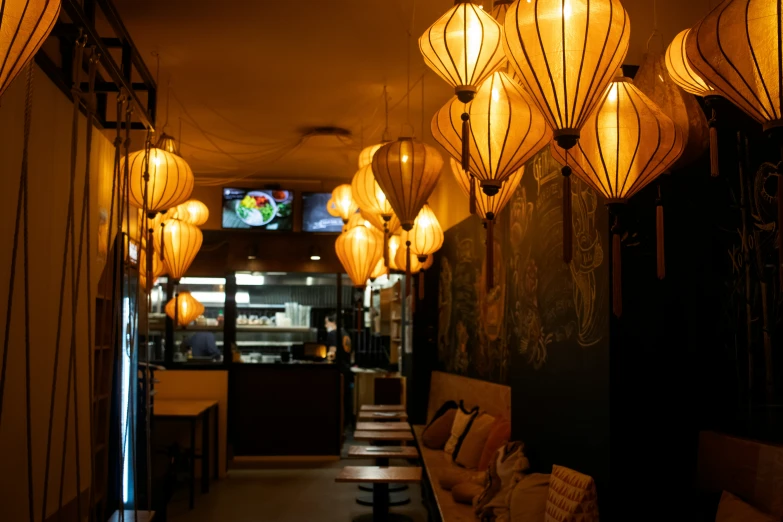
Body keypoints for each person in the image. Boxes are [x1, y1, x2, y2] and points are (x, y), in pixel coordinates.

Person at [325, 311, 353, 426]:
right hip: (347, 369)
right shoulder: (346, 333)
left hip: (338, 371)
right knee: (346, 399)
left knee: (337, 400)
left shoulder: (333, 334)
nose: (325, 326)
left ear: (333, 322)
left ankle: (338, 426)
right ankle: (345, 424)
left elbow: (332, 353)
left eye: (326, 323)